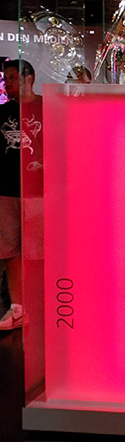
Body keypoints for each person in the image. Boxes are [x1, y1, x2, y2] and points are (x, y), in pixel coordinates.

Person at [0, 59, 43, 330]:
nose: (8, 84)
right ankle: (18, 308)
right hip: (6, 191)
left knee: (37, 250)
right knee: (12, 250)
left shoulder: (46, 109)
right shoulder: (1, 113)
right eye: (6, 79)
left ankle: (40, 305)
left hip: (39, 192)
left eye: (13, 78)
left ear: (29, 78)